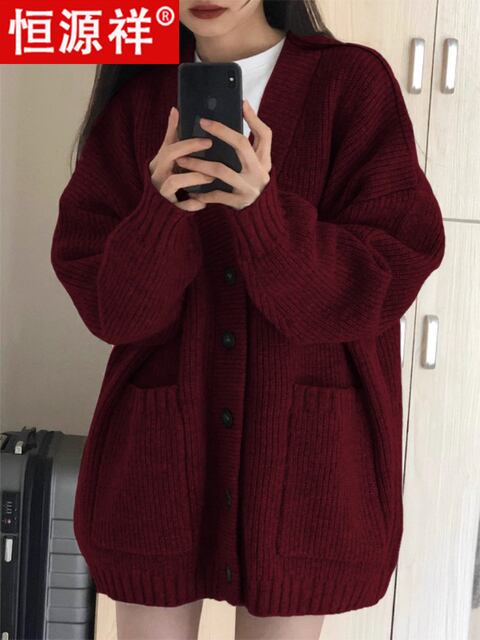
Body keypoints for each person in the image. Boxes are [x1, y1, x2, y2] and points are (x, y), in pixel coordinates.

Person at [50, 0, 446, 638]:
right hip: (157, 466)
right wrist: (159, 213)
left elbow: (385, 273)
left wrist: (265, 215)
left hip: (302, 471)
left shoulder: (351, 84)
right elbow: (113, 311)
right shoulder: (138, 101)